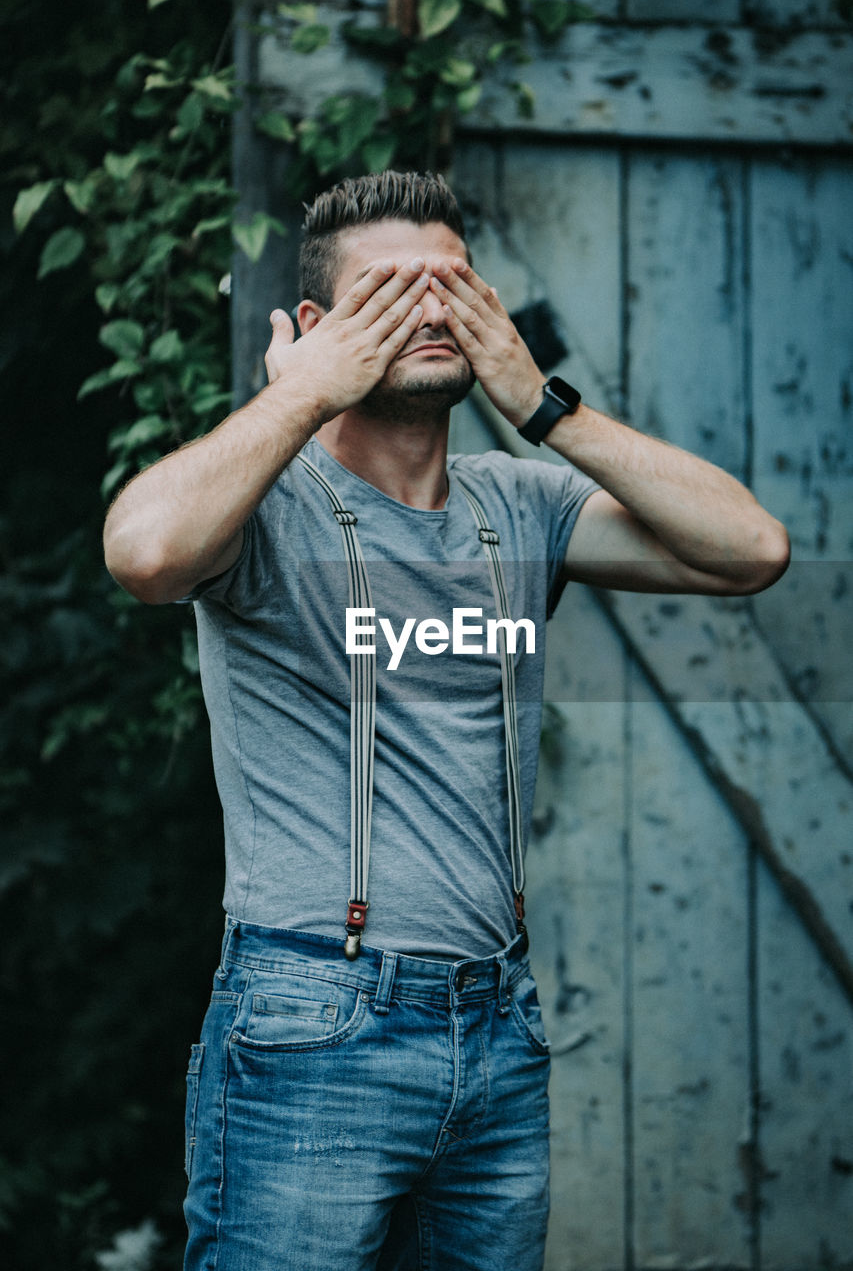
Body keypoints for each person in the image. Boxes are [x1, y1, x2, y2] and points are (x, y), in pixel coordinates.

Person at [103, 170, 789, 1271]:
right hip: (311, 1019)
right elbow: (143, 552)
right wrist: (302, 396)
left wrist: (544, 405)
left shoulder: (518, 507)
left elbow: (750, 549)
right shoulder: (264, 511)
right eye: (388, 291)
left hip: (499, 1025)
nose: (429, 309)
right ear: (319, 330)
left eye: (453, 285)